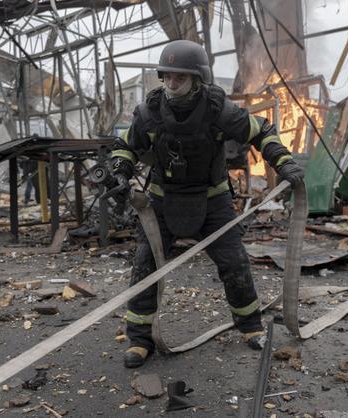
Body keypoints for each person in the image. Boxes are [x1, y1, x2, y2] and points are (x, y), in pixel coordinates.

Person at [109, 40, 304, 368]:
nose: (171, 84)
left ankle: (250, 326)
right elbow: (125, 146)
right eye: (167, 77)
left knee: (234, 262)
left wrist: (282, 161)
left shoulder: (218, 110)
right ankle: (140, 339)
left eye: (180, 78)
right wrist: (119, 172)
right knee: (145, 265)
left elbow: (261, 131)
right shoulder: (149, 113)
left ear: (197, 79)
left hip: (212, 200)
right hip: (161, 200)